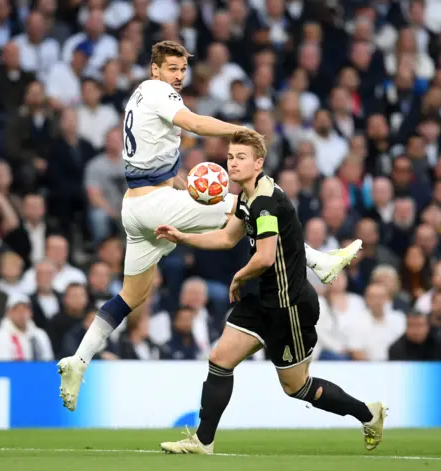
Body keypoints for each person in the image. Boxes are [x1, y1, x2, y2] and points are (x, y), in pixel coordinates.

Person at [57, 41, 362, 411]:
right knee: (245, 204)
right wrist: (241, 131)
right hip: (154, 205)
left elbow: (156, 161)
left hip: (136, 206)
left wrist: (185, 185)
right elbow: (197, 124)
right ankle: (320, 263)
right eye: (172, 68)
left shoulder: (140, 95)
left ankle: (79, 359)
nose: (179, 76)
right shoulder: (158, 92)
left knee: (132, 296)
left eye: (182, 70)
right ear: (155, 70)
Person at [155, 130, 385, 454]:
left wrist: (237, 277)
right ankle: (203, 441)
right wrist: (182, 237)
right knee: (220, 359)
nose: (232, 163)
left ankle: (368, 413)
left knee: (297, 387)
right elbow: (225, 239)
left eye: (241, 158)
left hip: (288, 305)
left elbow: (263, 257)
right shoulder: (247, 197)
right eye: (231, 157)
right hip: (263, 298)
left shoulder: (264, 202)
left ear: (258, 162)